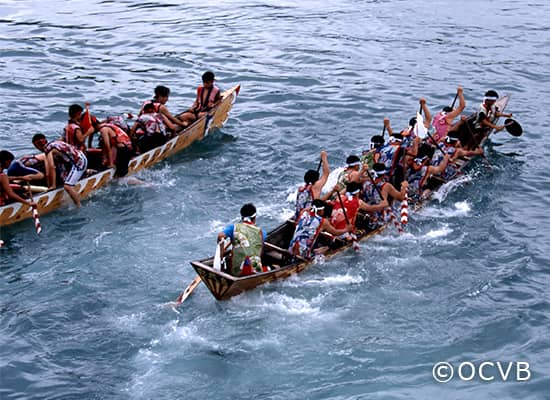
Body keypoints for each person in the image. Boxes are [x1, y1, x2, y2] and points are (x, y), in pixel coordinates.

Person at [32, 134, 88, 207]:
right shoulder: (54, 142)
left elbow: (51, 167)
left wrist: (53, 186)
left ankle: (79, 206)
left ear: (37, 145)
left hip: (79, 162)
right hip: (78, 157)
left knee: (67, 186)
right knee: (64, 180)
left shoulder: (48, 149)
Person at [289, 199, 353, 259]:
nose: (324, 211)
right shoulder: (323, 221)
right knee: (328, 247)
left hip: (291, 248)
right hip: (302, 254)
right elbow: (335, 232)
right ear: (320, 211)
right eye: (323, 210)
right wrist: (347, 229)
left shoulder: (304, 212)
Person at [217, 203, 268, 276]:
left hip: (234, 270)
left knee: (229, 258)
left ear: (242, 217)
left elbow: (220, 236)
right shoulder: (262, 233)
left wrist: (221, 257)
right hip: (253, 271)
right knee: (275, 267)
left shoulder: (233, 228)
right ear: (255, 217)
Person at [294, 150, 332, 219]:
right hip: (309, 217)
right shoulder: (315, 187)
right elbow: (326, 173)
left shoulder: (301, 188)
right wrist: (324, 158)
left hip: (298, 216)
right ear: (316, 180)